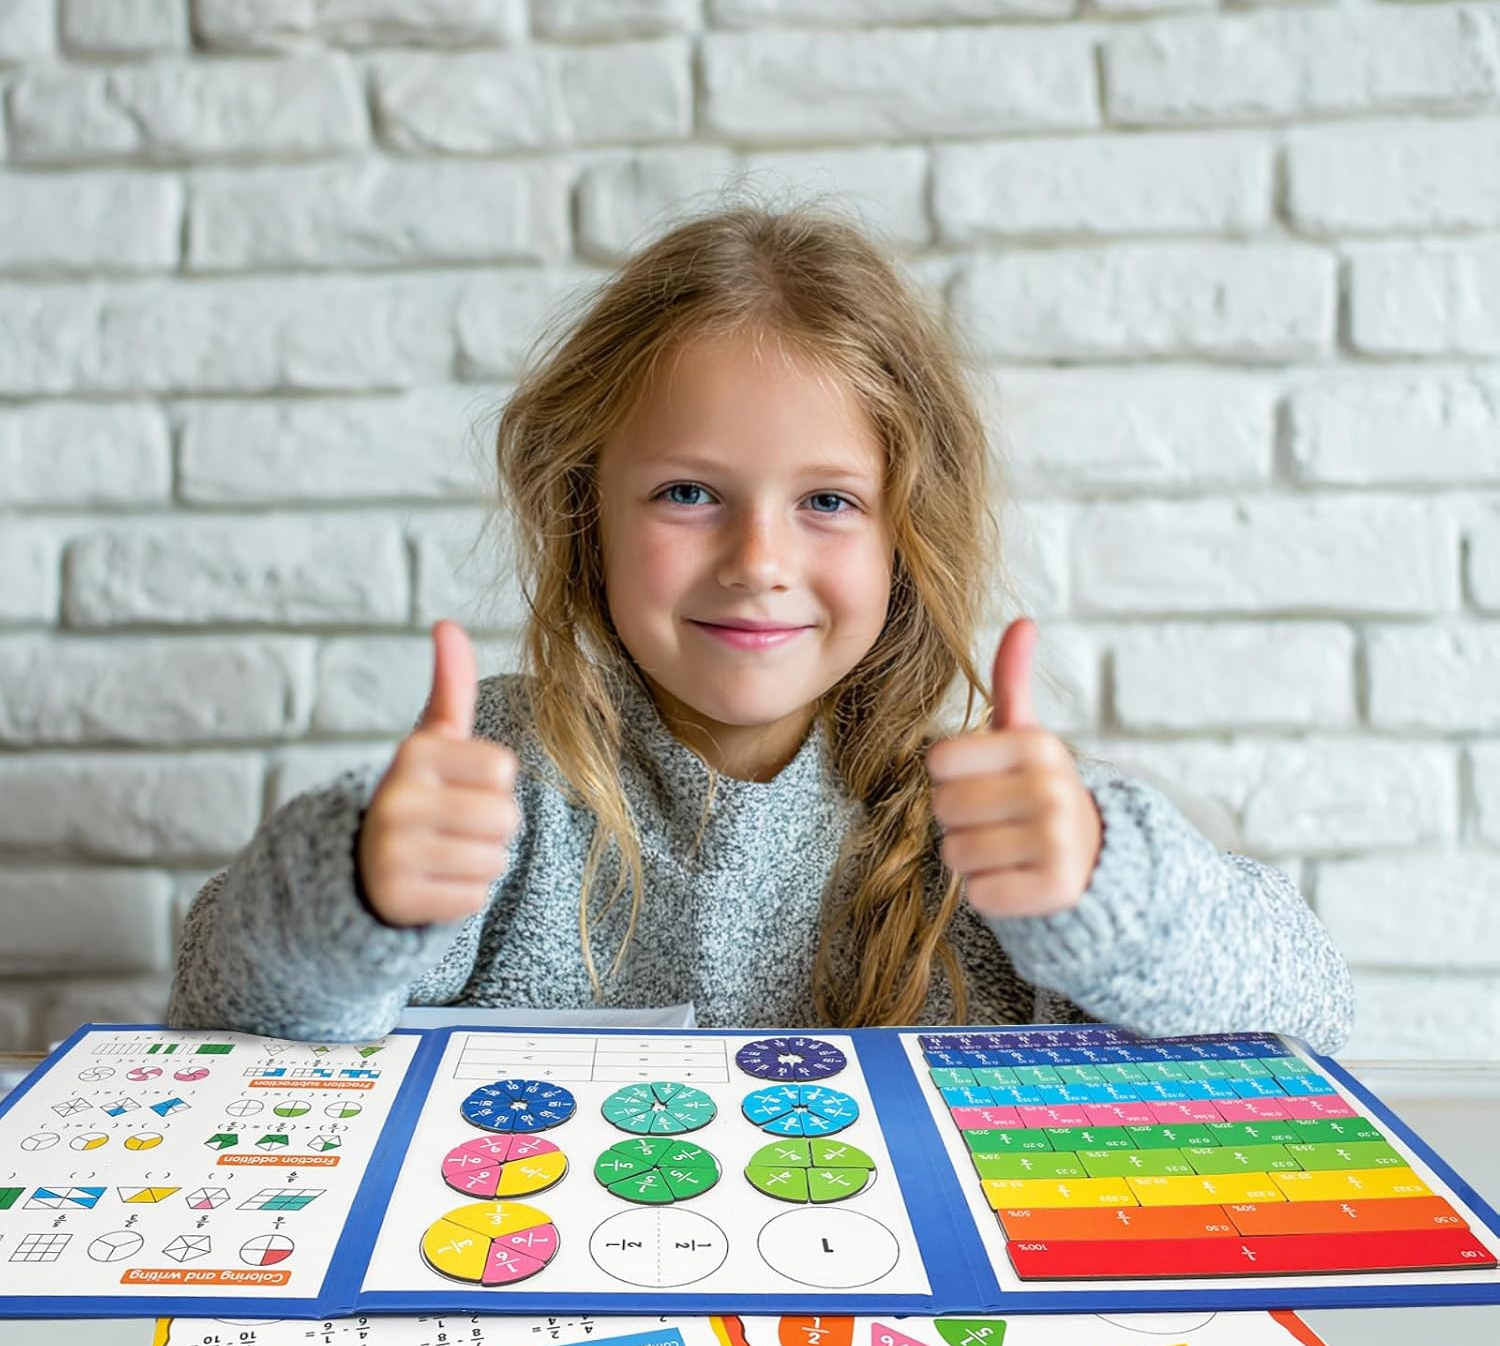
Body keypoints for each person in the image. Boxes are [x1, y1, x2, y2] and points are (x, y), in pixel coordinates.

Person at [169, 202, 1353, 1051]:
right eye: (689, 494)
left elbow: (1311, 1003)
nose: (758, 563)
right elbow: (228, 1000)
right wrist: (359, 888)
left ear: (905, 535)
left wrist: (1107, 885)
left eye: (828, 503)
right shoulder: (486, 789)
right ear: (587, 514)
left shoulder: (999, 819)